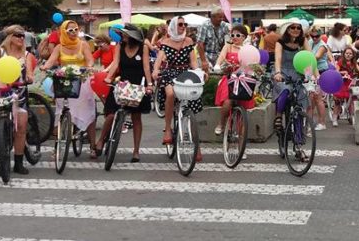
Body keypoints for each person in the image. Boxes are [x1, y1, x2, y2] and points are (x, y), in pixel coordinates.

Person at [0, 25, 37, 175]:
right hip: (1, 92)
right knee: (0, 127)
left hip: (20, 93)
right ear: (10, 37)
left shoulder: (27, 55)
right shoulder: (0, 52)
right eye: (18, 35)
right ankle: (3, 161)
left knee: (21, 128)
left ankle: (18, 162)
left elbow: (29, 72)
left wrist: (30, 78)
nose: (21, 38)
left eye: (23, 36)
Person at [43, 20, 97, 158]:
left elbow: (90, 59)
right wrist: (45, 67)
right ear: (63, 32)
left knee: (89, 112)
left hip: (82, 81)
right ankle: (57, 148)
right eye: (70, 30)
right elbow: (51, 61)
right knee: (60, 113)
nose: (73, 32)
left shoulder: (83, 44)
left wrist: (90, 66)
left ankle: (92, 146)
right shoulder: (59, 47)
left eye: (76, 29)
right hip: (65, 81)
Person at [99, 24, 152, 163]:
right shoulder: (120, 46)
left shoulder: (143, 48)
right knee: (111, 114)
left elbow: (146, 67)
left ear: (132, 36)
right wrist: (109, 77)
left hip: (137, 86)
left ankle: (136, 151)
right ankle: (100, 141)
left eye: (125, 34)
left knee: (136, 117)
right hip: (122, 83)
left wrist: (150, 84)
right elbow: (115, 63)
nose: (122, 36)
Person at [152, 17, 203, 159]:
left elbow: (193, 62)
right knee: (170, 93)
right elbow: (158, 61)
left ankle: (196, 147)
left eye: (185, 24)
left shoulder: (188, 41)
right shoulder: (165, 42)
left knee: (191, 106)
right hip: (170, 72)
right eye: (180, 24)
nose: (183, 26)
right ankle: (167, 129)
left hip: (186, 73)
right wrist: (156, 70)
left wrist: (199, 72)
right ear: (174, 26)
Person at [211, 24, 255, 135]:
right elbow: (221, 57)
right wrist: (218, 65)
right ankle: (221, 123)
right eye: (232, 35)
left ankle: (241, 147)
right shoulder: (228, 46)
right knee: (227, 102)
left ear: (244, 37)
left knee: (243, 115)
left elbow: (253, 64)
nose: (234, 37)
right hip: (229, 78)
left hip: (243, 80)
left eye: (238, 35)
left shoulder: (248, 49)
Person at [272, 20, 309, 132]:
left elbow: (309, 58)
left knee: (302, 95)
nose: (296, 30)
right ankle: (278, 116)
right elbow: (277, 59)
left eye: (298, 28)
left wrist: (311, 76)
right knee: (286, 89)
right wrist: (278, 73)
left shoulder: (303, 41)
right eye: (293, 27)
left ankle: (300, 129)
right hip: (282, 72)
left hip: (296, 73)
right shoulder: (280, 42)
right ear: (287, 29)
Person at [333, 46, 359, 125]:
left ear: (353, 55)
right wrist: (342, 72)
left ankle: (351, 114)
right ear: (344, 54)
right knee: (338, 101)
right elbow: (336, 71)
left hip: (350, 82)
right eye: (347, 53)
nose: (348, 55)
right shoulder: (341, 61)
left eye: (350, 53)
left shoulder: (354, 62)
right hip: (341, 82)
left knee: (352, 99)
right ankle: (335, 117)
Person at [307, 26, 331, 130]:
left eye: (316, 36)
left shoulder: (322, 45)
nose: (314, 38)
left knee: (317, 98)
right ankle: (310, 122)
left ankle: (322, 123)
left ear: (320, 35)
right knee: (310, 99)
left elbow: (315, 57)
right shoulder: (310, 42)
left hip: (320, 72)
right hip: (309, 71)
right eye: (312, 36)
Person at [197, 7, 231, 74]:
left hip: (218, 54)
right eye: (220, 17)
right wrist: (203, 61)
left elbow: (229, 41)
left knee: (223, 73)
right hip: (206, 54)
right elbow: (200, 45)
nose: (222, 19)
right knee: (207, 75)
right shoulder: (204, 26)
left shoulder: (224, 25)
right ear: (212, 17)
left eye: (222, 17)